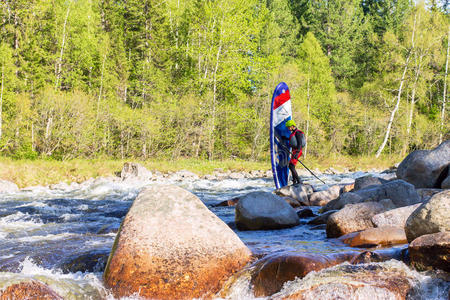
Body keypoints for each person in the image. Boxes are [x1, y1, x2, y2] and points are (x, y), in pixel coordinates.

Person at [285, 120, 306, 185]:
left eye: (289, 127)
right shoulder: (294, 132)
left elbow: (299, 143)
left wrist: (297, 152)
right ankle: (294, 181)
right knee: (291, 166)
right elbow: (293, 140)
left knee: (291, 166)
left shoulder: (298, 133)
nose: (288, 128)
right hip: (295, 151)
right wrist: (285, 138)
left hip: (297, 151)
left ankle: (298, 181)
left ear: (292, 126)